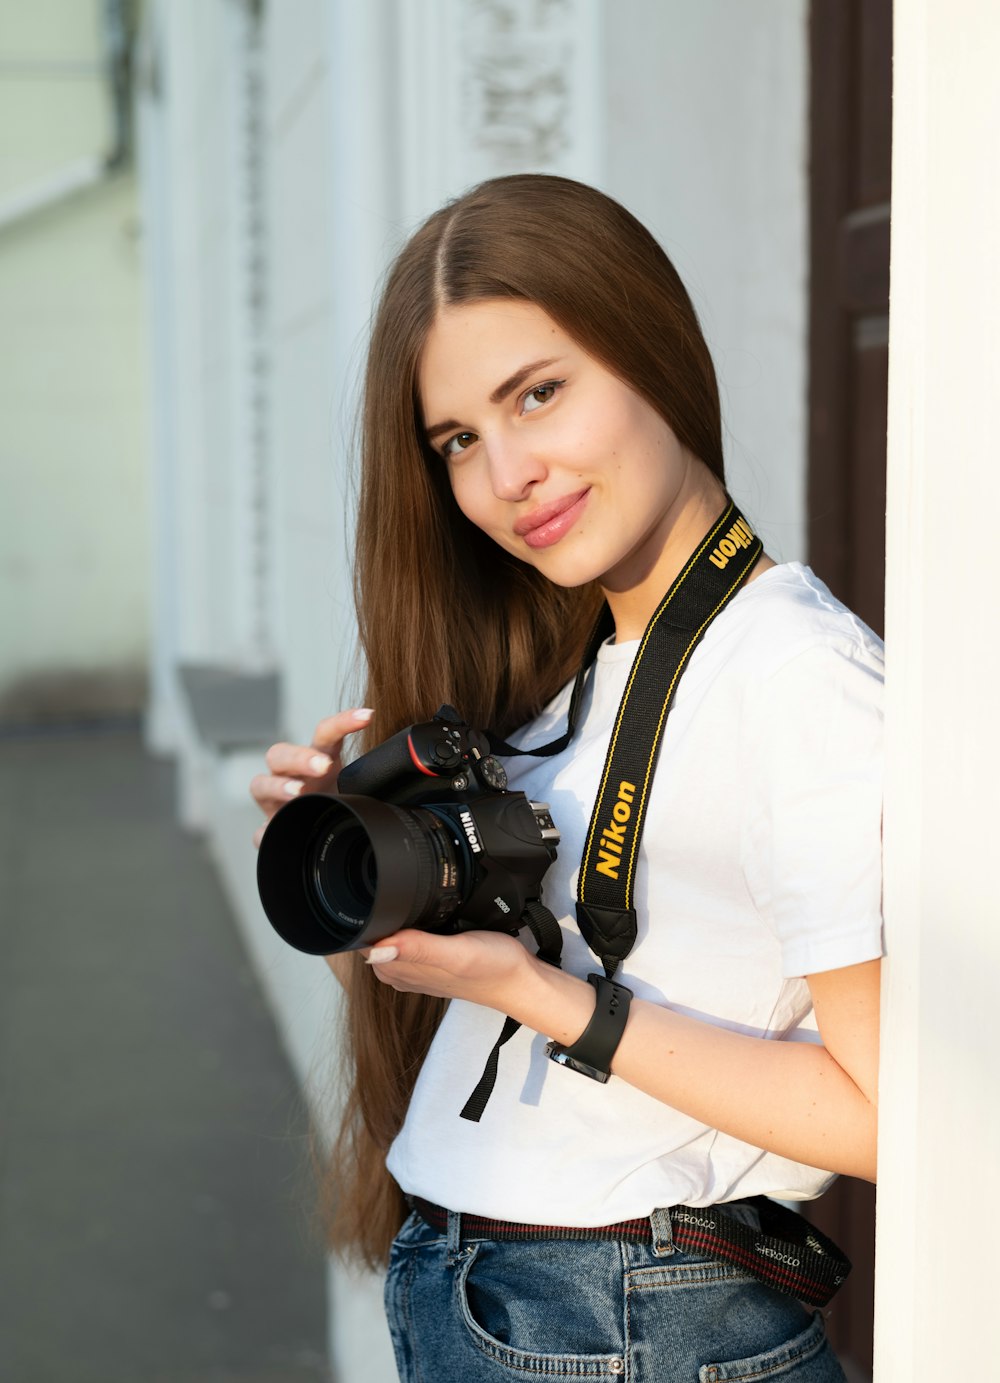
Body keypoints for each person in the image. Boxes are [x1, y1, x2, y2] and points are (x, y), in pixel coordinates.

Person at [250, 174, 882, 1381]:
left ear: (651, 347)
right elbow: (467, 996)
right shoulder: (571, 675)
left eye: (538, 395)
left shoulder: (799, 678)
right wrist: (348, 865)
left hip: (632, 1319)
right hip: (501, 1302)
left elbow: (884, 1113)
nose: (506, 475)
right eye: (458, 443)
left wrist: (550, 1000)